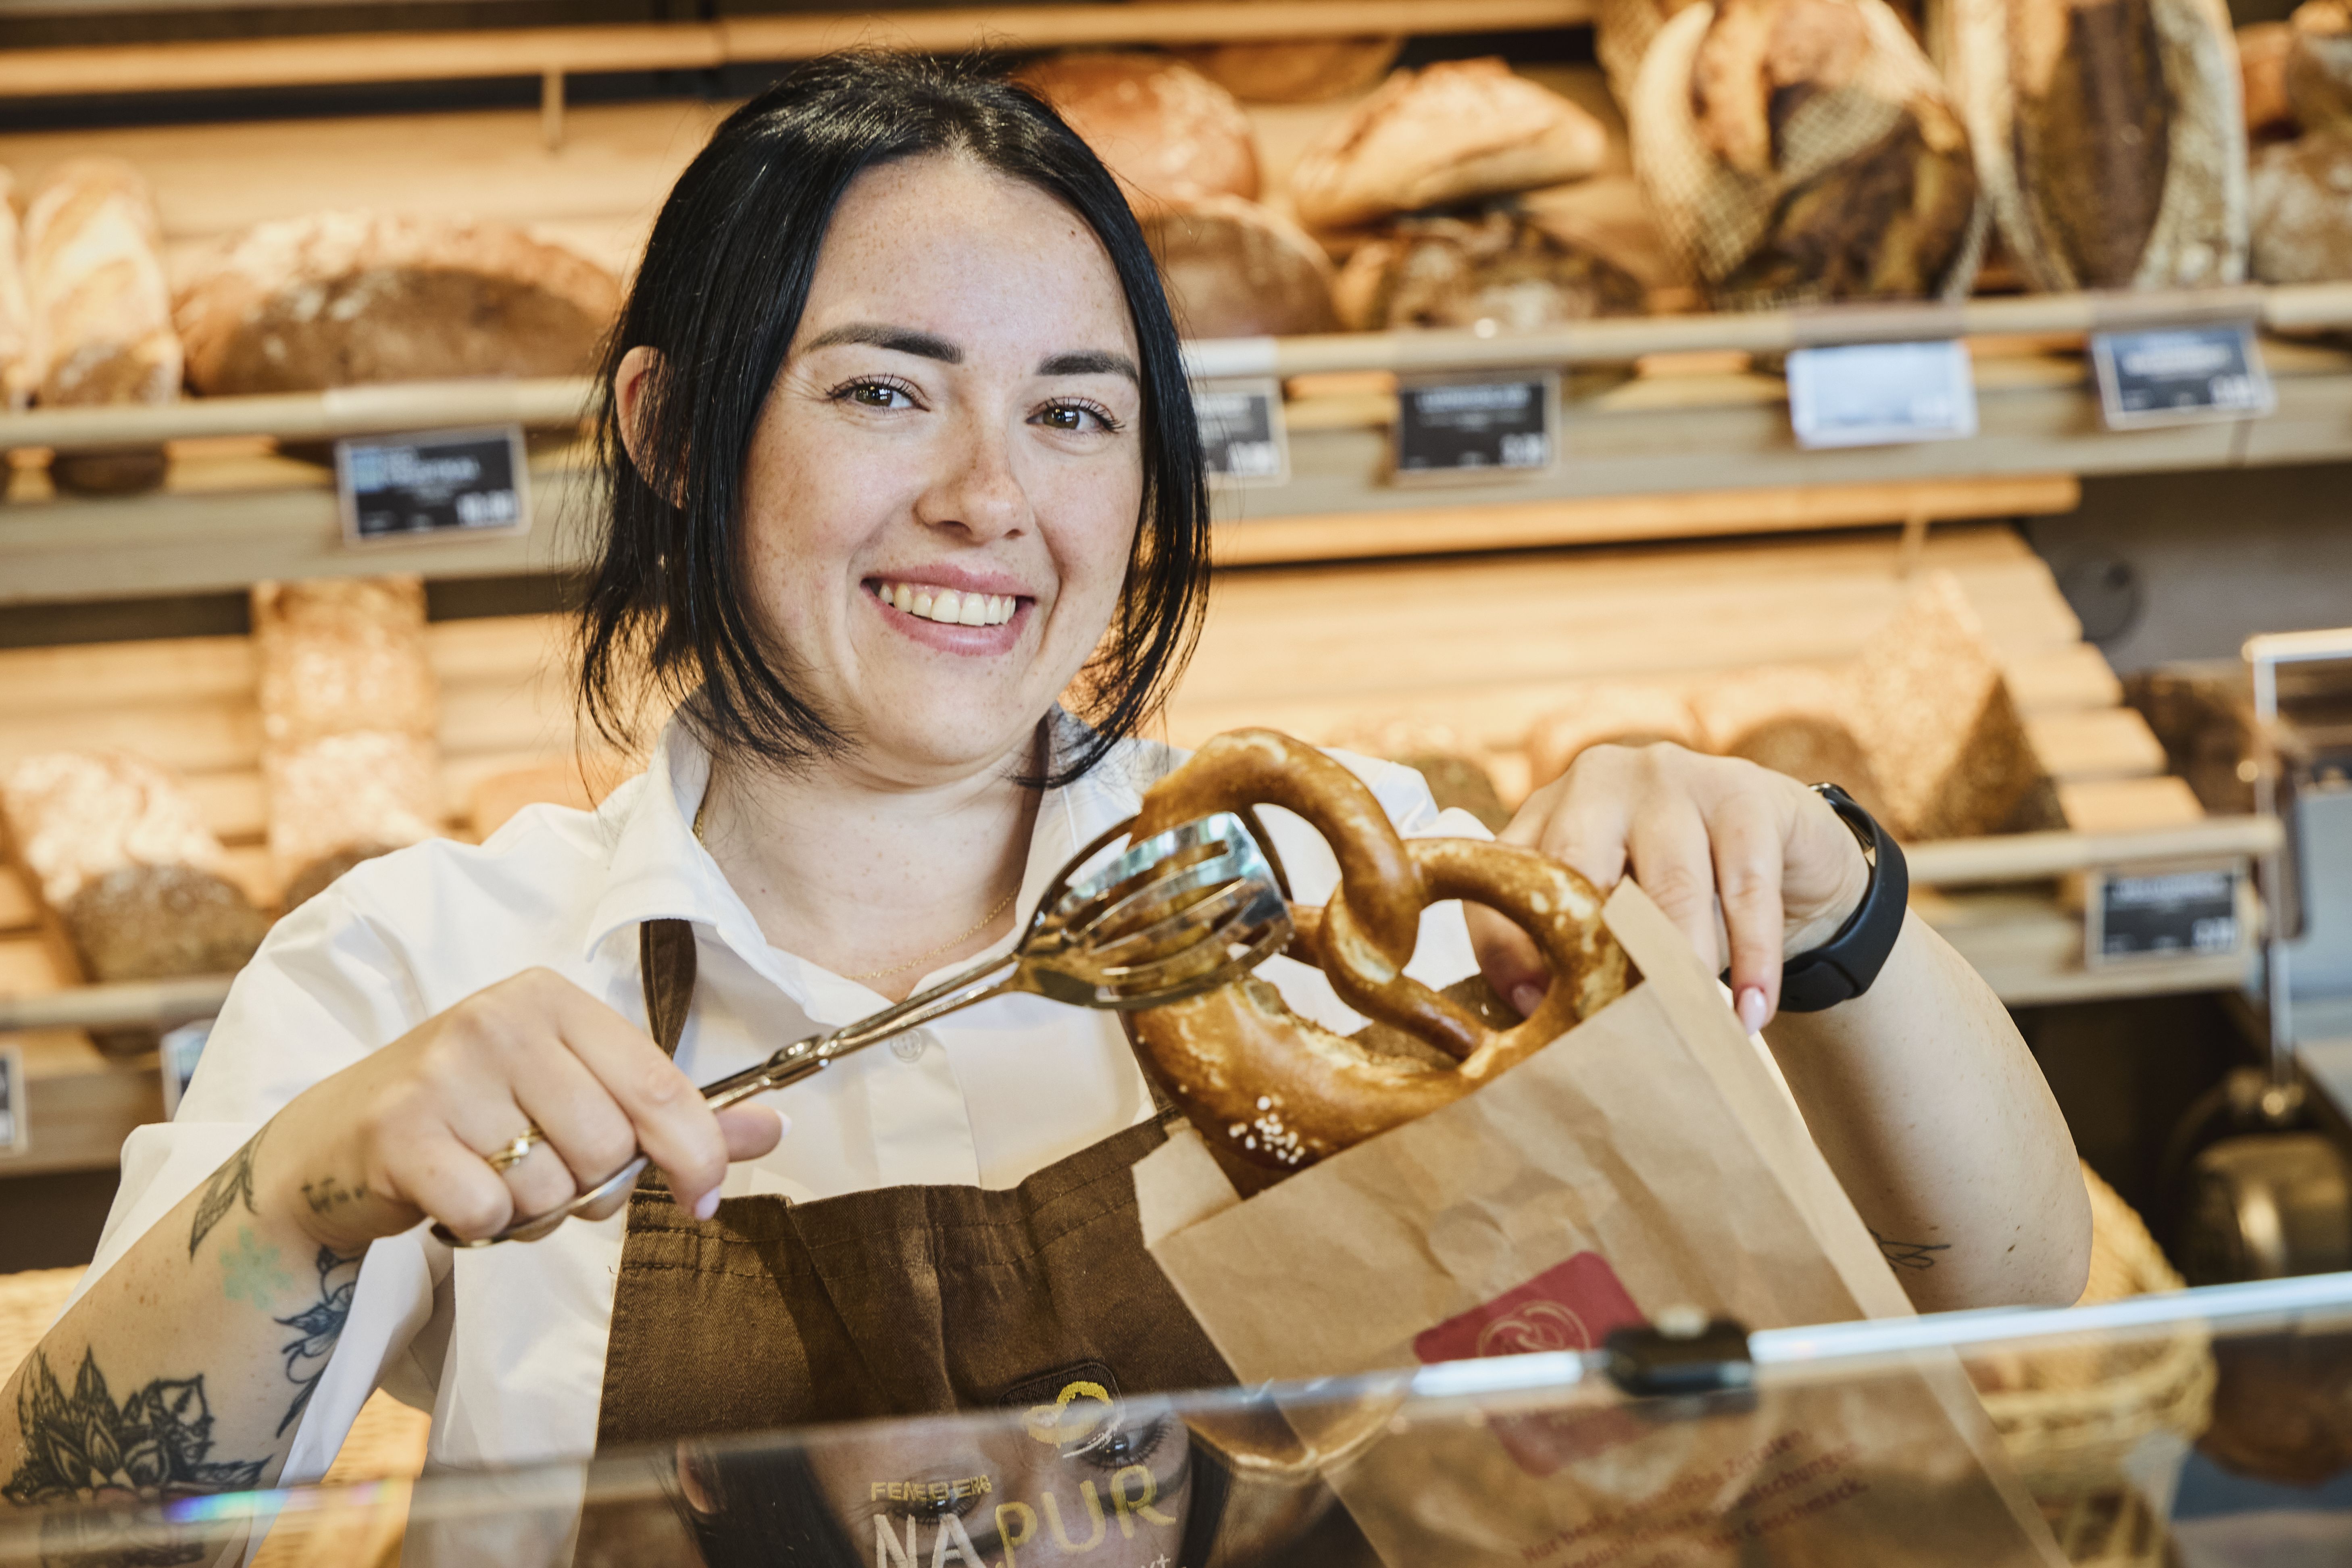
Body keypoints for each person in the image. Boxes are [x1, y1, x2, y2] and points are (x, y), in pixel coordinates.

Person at [0, 52, 2088, 1539]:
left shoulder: (1341, 892)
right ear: (669, 427)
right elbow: (77, 1536)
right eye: (887, 390)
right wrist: (301, 1199)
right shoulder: (417, 976)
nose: (992, 499)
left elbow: (2002, 1285)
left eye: (1075, 412)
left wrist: (1827, 894)